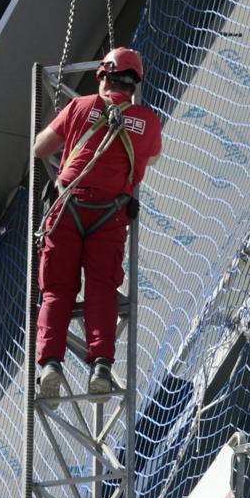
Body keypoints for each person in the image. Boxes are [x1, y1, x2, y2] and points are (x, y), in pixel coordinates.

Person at [32, 47, 163, 399]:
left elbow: (39, 148)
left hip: (69, 206)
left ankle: (49, 365)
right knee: (101, 290)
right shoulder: (148, 122)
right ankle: (101, 366)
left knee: (58, 291)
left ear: (103, 76)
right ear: (135, 84)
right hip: (110, 215)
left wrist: (73, 124)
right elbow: (145, 164)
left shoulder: (81, 106)